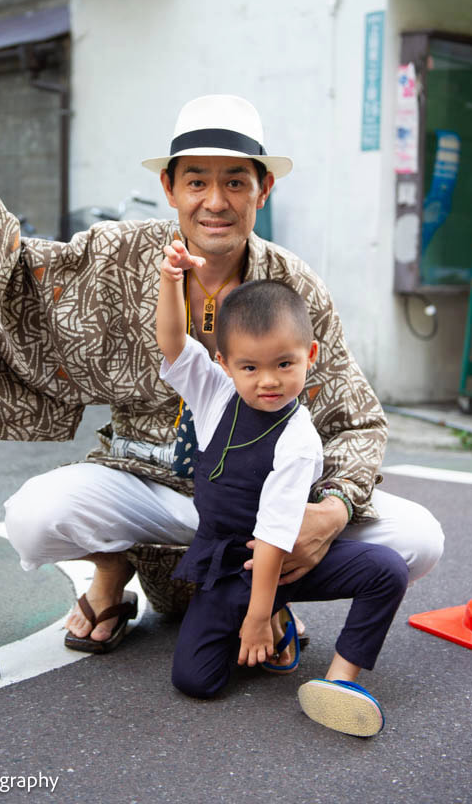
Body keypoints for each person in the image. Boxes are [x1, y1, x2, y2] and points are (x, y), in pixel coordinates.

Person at [0, 94, 444, 655]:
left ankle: (255, 593)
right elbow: (24, 277)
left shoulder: (297, 285)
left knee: (418, 539)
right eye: (197, 182)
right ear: (170, 188)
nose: (215, 202)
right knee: (33, 516)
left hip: (260, 504)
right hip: (144, 482)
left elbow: (356, 419)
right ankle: (113, 573)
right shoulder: (117, 250)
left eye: (236, 182)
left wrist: (331, 511)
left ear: (264, 190)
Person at [156, 245, 408, 735]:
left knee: (387, 572)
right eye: (250, 367)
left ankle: (340, 679)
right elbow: (172, 343)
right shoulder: (215, 393)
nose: (268, 381)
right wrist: (170, 281)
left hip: (279, 558)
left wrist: (254, 616)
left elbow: (274, 536)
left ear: (309, 357)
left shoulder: (298, 439)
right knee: (195, 681)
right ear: (225, 363)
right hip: (225, 563)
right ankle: (273, 615)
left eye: (284, 364)